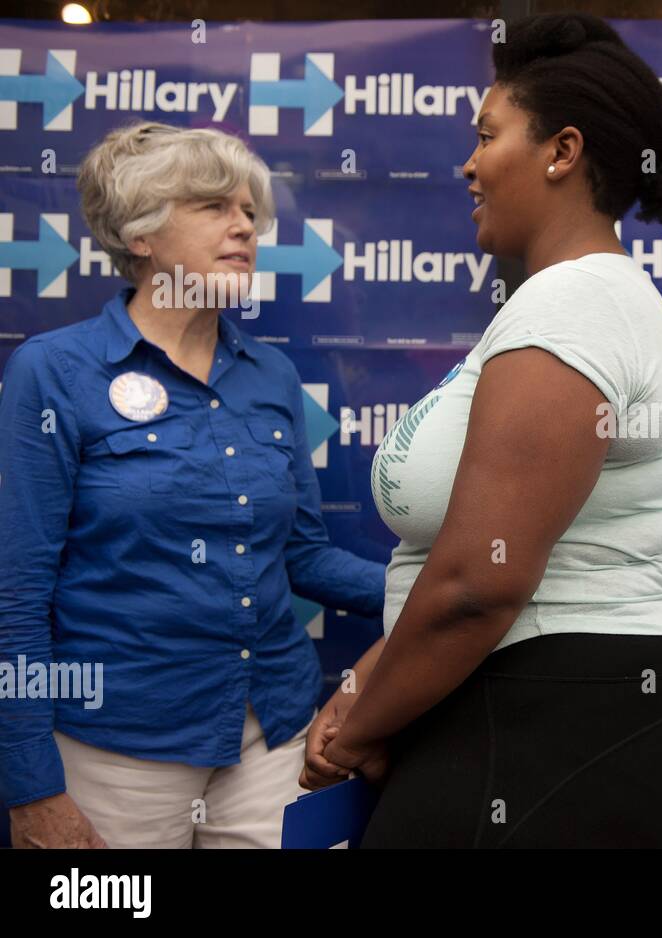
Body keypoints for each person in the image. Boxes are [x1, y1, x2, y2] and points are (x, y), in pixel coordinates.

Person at [300, 13, 662, 848]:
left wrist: (359, 728)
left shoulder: (575, 302)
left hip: (546, 711)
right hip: (534, 699)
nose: (469, 162)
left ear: (562, 152)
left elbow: (478, 582)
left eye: (487, 136)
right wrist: (371, 682)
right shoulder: (565, 298)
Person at [0, 121, 385, 848]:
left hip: (273, 737)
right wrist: (31, 788)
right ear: (140, 235)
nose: (244, 227)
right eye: (214, 208)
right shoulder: (52, 373)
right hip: (116, 750)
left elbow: (303, 556)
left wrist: (437, 596)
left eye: (249, 212)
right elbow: (16, 596)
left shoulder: (268, 375)